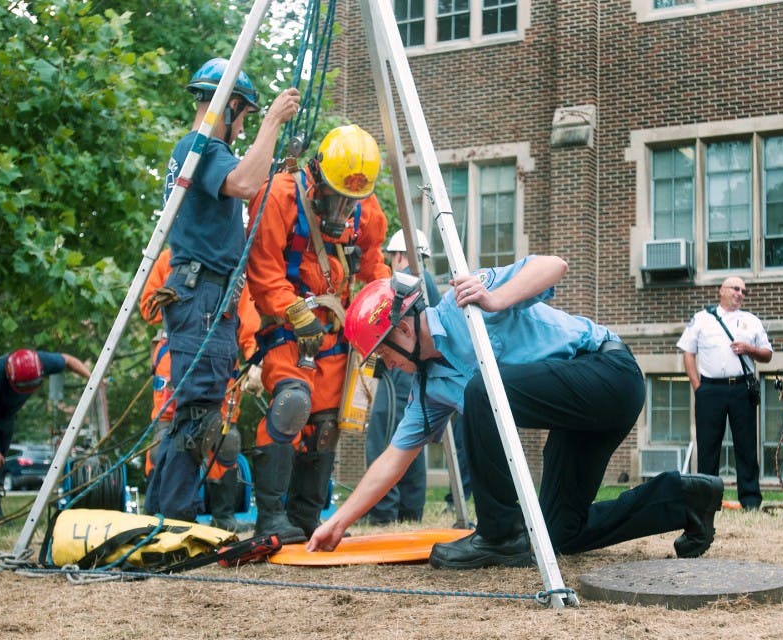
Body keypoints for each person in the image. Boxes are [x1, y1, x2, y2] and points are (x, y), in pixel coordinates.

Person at [308, 255, 725, 569]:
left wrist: (495, 298)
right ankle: (686, 498)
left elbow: (554, 265)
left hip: (608, 373)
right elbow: (393, 460)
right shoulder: (429, 388)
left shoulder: (463, 303)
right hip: (575, 416)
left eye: (382, 352)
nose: (386, 364)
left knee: (481, 387)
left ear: (401, 328)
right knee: (559, 534)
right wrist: (340, 522)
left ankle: (498, 533)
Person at [145, 58, 299, 523]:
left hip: (205, 296)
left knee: (198, 408)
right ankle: (175, 518)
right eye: (246, 114)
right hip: (203, 296)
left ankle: (166, 515)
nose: (246, 123)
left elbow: (246, 182)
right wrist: (272, 120)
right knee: (198, 414)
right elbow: (246, 182)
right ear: (230, 106)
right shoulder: (200, 148)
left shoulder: (201, 153)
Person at [245, 124, 390, 541]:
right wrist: (292, 310)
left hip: (336, 333)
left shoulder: (364, 207)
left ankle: (307, 517)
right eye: (336, 196)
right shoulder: (280, 196)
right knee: (292, 405)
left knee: (326, 426)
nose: (343, 208)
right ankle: (270, 517)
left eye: (352, 200)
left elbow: (373, 265)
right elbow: (264, 268)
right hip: (289, 328)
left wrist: (382, 306)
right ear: (318, 173)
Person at [140, 247, 261, 531]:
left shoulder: (234, 266)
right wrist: (181, 293)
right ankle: (156, 514)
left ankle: (223, 515)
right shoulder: (170, 259)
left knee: (223, 439)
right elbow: (149, 308)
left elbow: (247, 321)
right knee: (165, 438)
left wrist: (257, 360)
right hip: (175, 358)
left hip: (220, 359)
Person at [364, 229, 440, 524]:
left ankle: (383, 515)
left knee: (384, 439)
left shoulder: (406, 281)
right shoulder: (427, 282)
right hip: (415, 374)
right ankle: (409, 513)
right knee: (409, 441)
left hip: (400, 374)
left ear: (398, 255)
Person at [676, 277, 772, 511]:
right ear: (721, 291)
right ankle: (706, 502)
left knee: (746, 446)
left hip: (742, 388)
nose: (740, 293)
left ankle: (750, 501)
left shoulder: (751, 321)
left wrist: (750, 349)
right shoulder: (702, 319)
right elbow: (688, 353)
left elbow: (767, 354)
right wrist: (697, 386)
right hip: (710, 389)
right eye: (735, 289)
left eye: (744, 291)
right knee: (708, 447)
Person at [0, 349, 92, 523]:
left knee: (1, 459)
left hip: (6, 414)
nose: (27, 390)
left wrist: (92, 378)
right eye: (22, 386)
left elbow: (68, 360)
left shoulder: (38, 362)